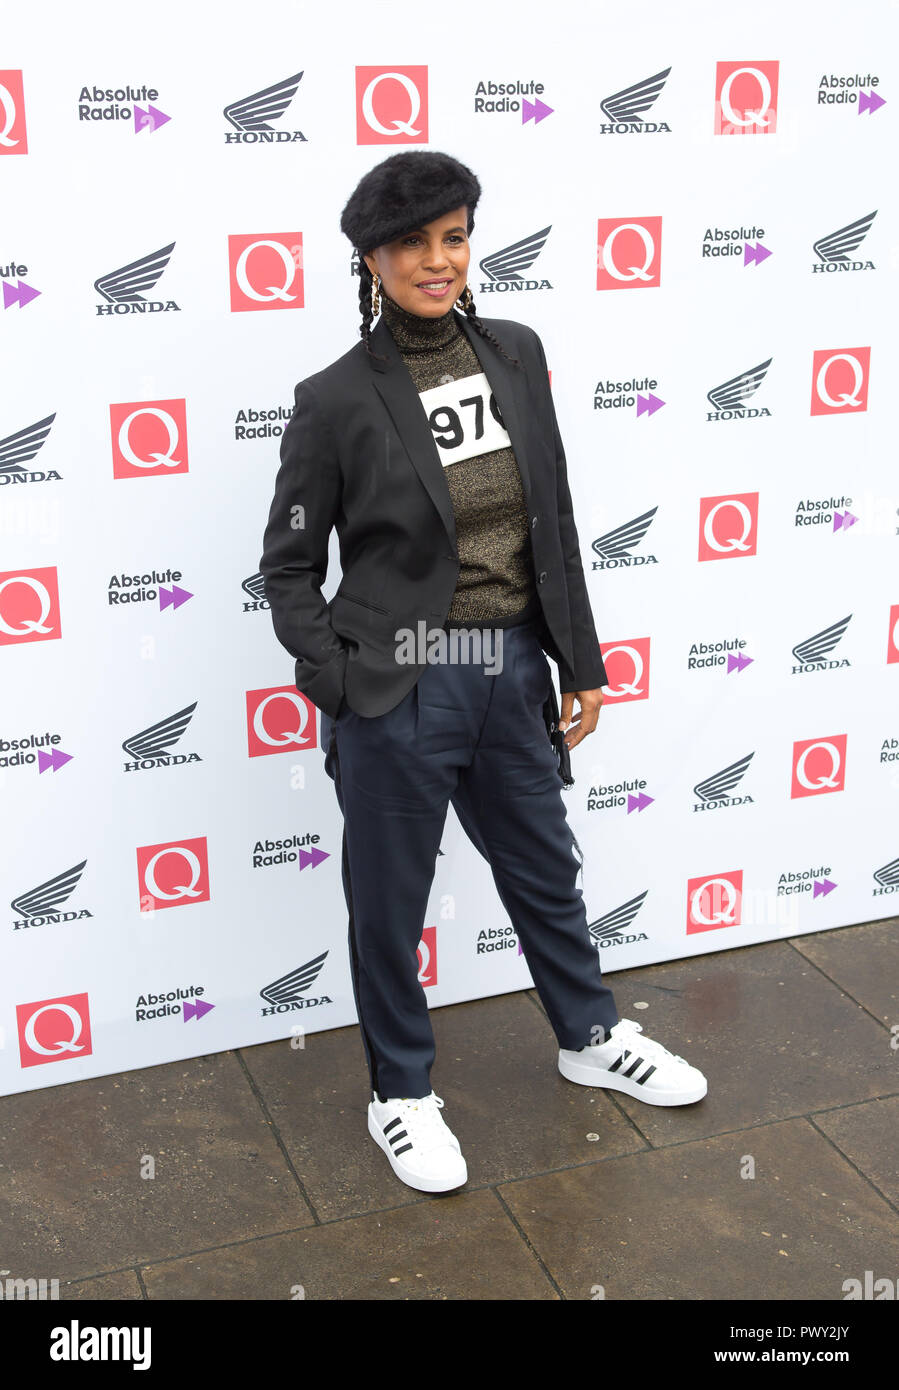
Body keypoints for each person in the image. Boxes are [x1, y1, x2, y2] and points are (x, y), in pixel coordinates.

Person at [259, 150, 707, 1196]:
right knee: (389, 902)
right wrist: (340, 677)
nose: (436, 259)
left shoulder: (516, 352)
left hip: (508, 664)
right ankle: (401, 1096)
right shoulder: (333, 399)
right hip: (402, 676)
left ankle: (588, 1034)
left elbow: (549, 521)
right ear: (369, 259)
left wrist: (578, 661)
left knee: (545, 871)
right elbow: (286, 566)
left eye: (452, 236)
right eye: (411, 242)